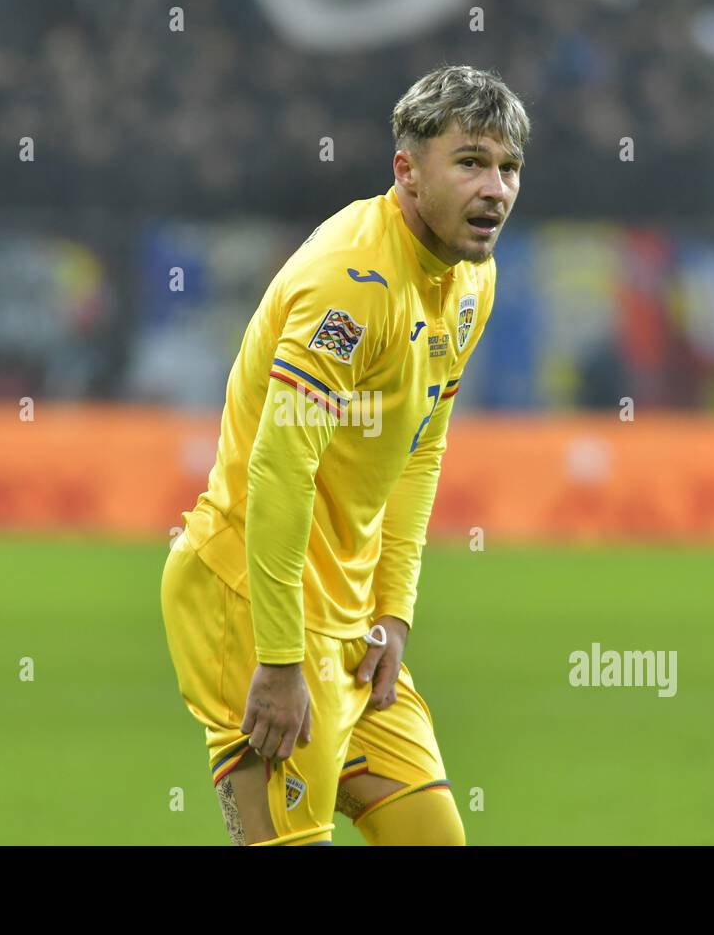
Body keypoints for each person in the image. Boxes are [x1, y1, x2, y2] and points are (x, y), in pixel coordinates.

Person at [162, 65, 529, 845]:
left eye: (509, 167)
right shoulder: (351, 284)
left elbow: (421, 449)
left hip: (351, 618)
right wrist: (281, 658)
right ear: (408, 169)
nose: (495, 188)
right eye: (470, 162)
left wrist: (394, 613)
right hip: (252, 605)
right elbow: (279, 466)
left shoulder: (472, 280)